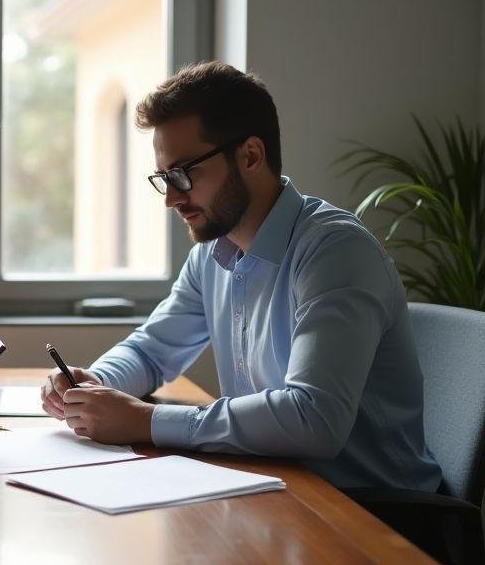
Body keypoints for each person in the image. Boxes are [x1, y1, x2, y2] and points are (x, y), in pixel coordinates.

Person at [41, 61, 441, 492]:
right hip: (280, 488)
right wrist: (95, 386)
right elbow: (151, 352)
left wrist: (145, 420)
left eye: (184, 174)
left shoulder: (335, 251)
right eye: (164, 178)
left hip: (379, 518)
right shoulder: (211, 254)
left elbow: (314, 418)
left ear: (251, 155)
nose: (172, 198)